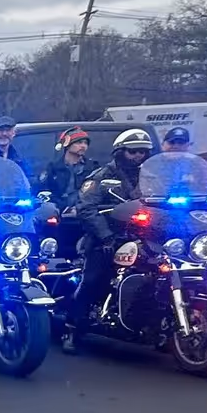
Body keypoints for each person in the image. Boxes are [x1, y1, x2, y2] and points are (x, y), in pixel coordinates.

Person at [64, 129, 155, 337]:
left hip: (144, 237)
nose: (138, 156)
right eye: (133, 151)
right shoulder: (102, 176)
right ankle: (73, 329)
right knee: (93, 279)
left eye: (142, 151)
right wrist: (106, 236)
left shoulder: (151, 177)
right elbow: (87, 208)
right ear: (120, 152)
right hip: (107, 237)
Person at [34, 128, 89, 207]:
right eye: (79, 142)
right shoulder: (53, 168)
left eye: (85, 143)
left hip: (84, 210)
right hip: (56, 209)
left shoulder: (91, 167)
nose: (83, 146)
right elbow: (43, 190)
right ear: (67, 145)